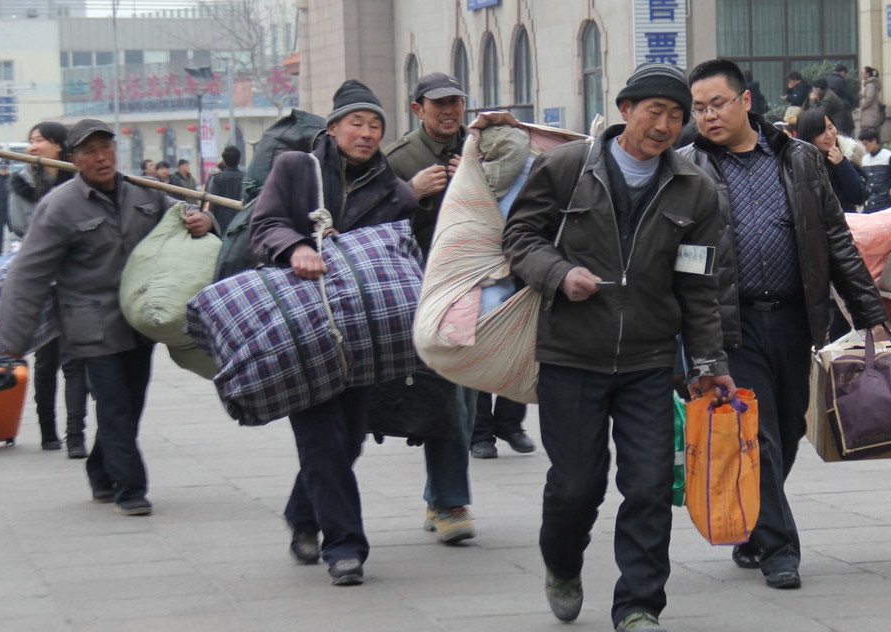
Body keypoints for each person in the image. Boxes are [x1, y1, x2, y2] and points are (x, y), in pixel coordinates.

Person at [504, 63, 734, 631]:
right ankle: (562, 563)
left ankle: (638, 604)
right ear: (626, 109)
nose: (664, 125)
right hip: (571, 356)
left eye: (676, 116)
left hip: (649, 361)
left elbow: (699, 284)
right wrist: (559, 274)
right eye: (654, 110)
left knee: (650, 484)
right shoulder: (565, 168)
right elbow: (519, 238)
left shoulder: (695, 189)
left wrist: (708, 365)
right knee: (577, 484)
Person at [678, 58, 886, 591]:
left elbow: (837, 239)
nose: (708, 116)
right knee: (758, 432)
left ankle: (752, 526)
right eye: (698, 108)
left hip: (798, 319)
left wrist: (872, 317)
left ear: (745, 100)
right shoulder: (686, 167)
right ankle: (780, 548)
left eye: (717, 104)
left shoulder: (798, 159)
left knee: (790, 428)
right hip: (731, 324)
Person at [0, 119, 216, 516]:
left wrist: (203, 222)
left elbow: (182, 220)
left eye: (106, 148)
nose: (101, 158)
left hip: (138, 322)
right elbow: (28, 273)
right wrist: (11, 342)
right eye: (91, 152)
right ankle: (130, 488)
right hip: (89, 326)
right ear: (75, 159)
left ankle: (100, 470)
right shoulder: (60, 206)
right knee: (114, 406)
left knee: (129, 405)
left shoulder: (144, 194)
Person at [250, 79, 417, 585]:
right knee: (322, 436)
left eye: (375, 126)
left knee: (349, 440)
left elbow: (406, 254)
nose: (366, 133)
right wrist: (297, 247)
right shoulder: (297, 169)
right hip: (303, 326)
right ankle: (344, 546)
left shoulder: (394, 190)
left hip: (362, 331)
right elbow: (264, 225)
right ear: (334, 127)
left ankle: (303, 515)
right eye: (356, 123)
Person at [384, 72, 485, 545]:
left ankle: (438, 494)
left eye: (456, 103)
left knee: (466, 398)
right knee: (450, 398)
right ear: (417, 108)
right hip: (425, 293)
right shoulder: (400, 161)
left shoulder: (480, 146)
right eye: (439, 104)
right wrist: (413, 191)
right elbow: (374, 223)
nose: (449, 111)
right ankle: (449, 503)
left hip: (477, 289)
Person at [15, 123, 92, 457]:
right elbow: (21, 225)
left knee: (74, 361)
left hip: (77, 278)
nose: (34, 146)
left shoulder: (79, 179)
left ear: (60, 146)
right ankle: (48, 431)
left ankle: (75, 434)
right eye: (31, 141)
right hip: (42, 280)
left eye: (40, 140)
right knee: (46, 361)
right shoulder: (21, 180)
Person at [796, 108, 864, 212]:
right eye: (821, 132)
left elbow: (859, 197)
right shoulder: (800, 164)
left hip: (848, 223)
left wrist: (842, 164)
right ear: (809, 136)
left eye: (830, 127)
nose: (829, 135)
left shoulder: (848, 153)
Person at [857, 127, 891, 213]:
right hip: (870, 204)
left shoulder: (889, 156)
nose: (865, 148)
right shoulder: (864, 159)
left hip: (887, 202)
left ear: (874, 141)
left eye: (866, 144)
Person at [204, 145, 245, 233]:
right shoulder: (245, 178)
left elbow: (212, 203)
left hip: (220, 224)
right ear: (239, 160)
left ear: (224, 162)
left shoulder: (217, 178)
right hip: (241, 223)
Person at [858, 66, 884, 131]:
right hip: (872, 112)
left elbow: (869, 98)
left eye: (863, 73)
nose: (862, 75)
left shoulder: (870, 85)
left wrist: (862, 107)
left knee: (869, 133)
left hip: (870, 113)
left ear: (868, 74)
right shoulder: (871, 84)